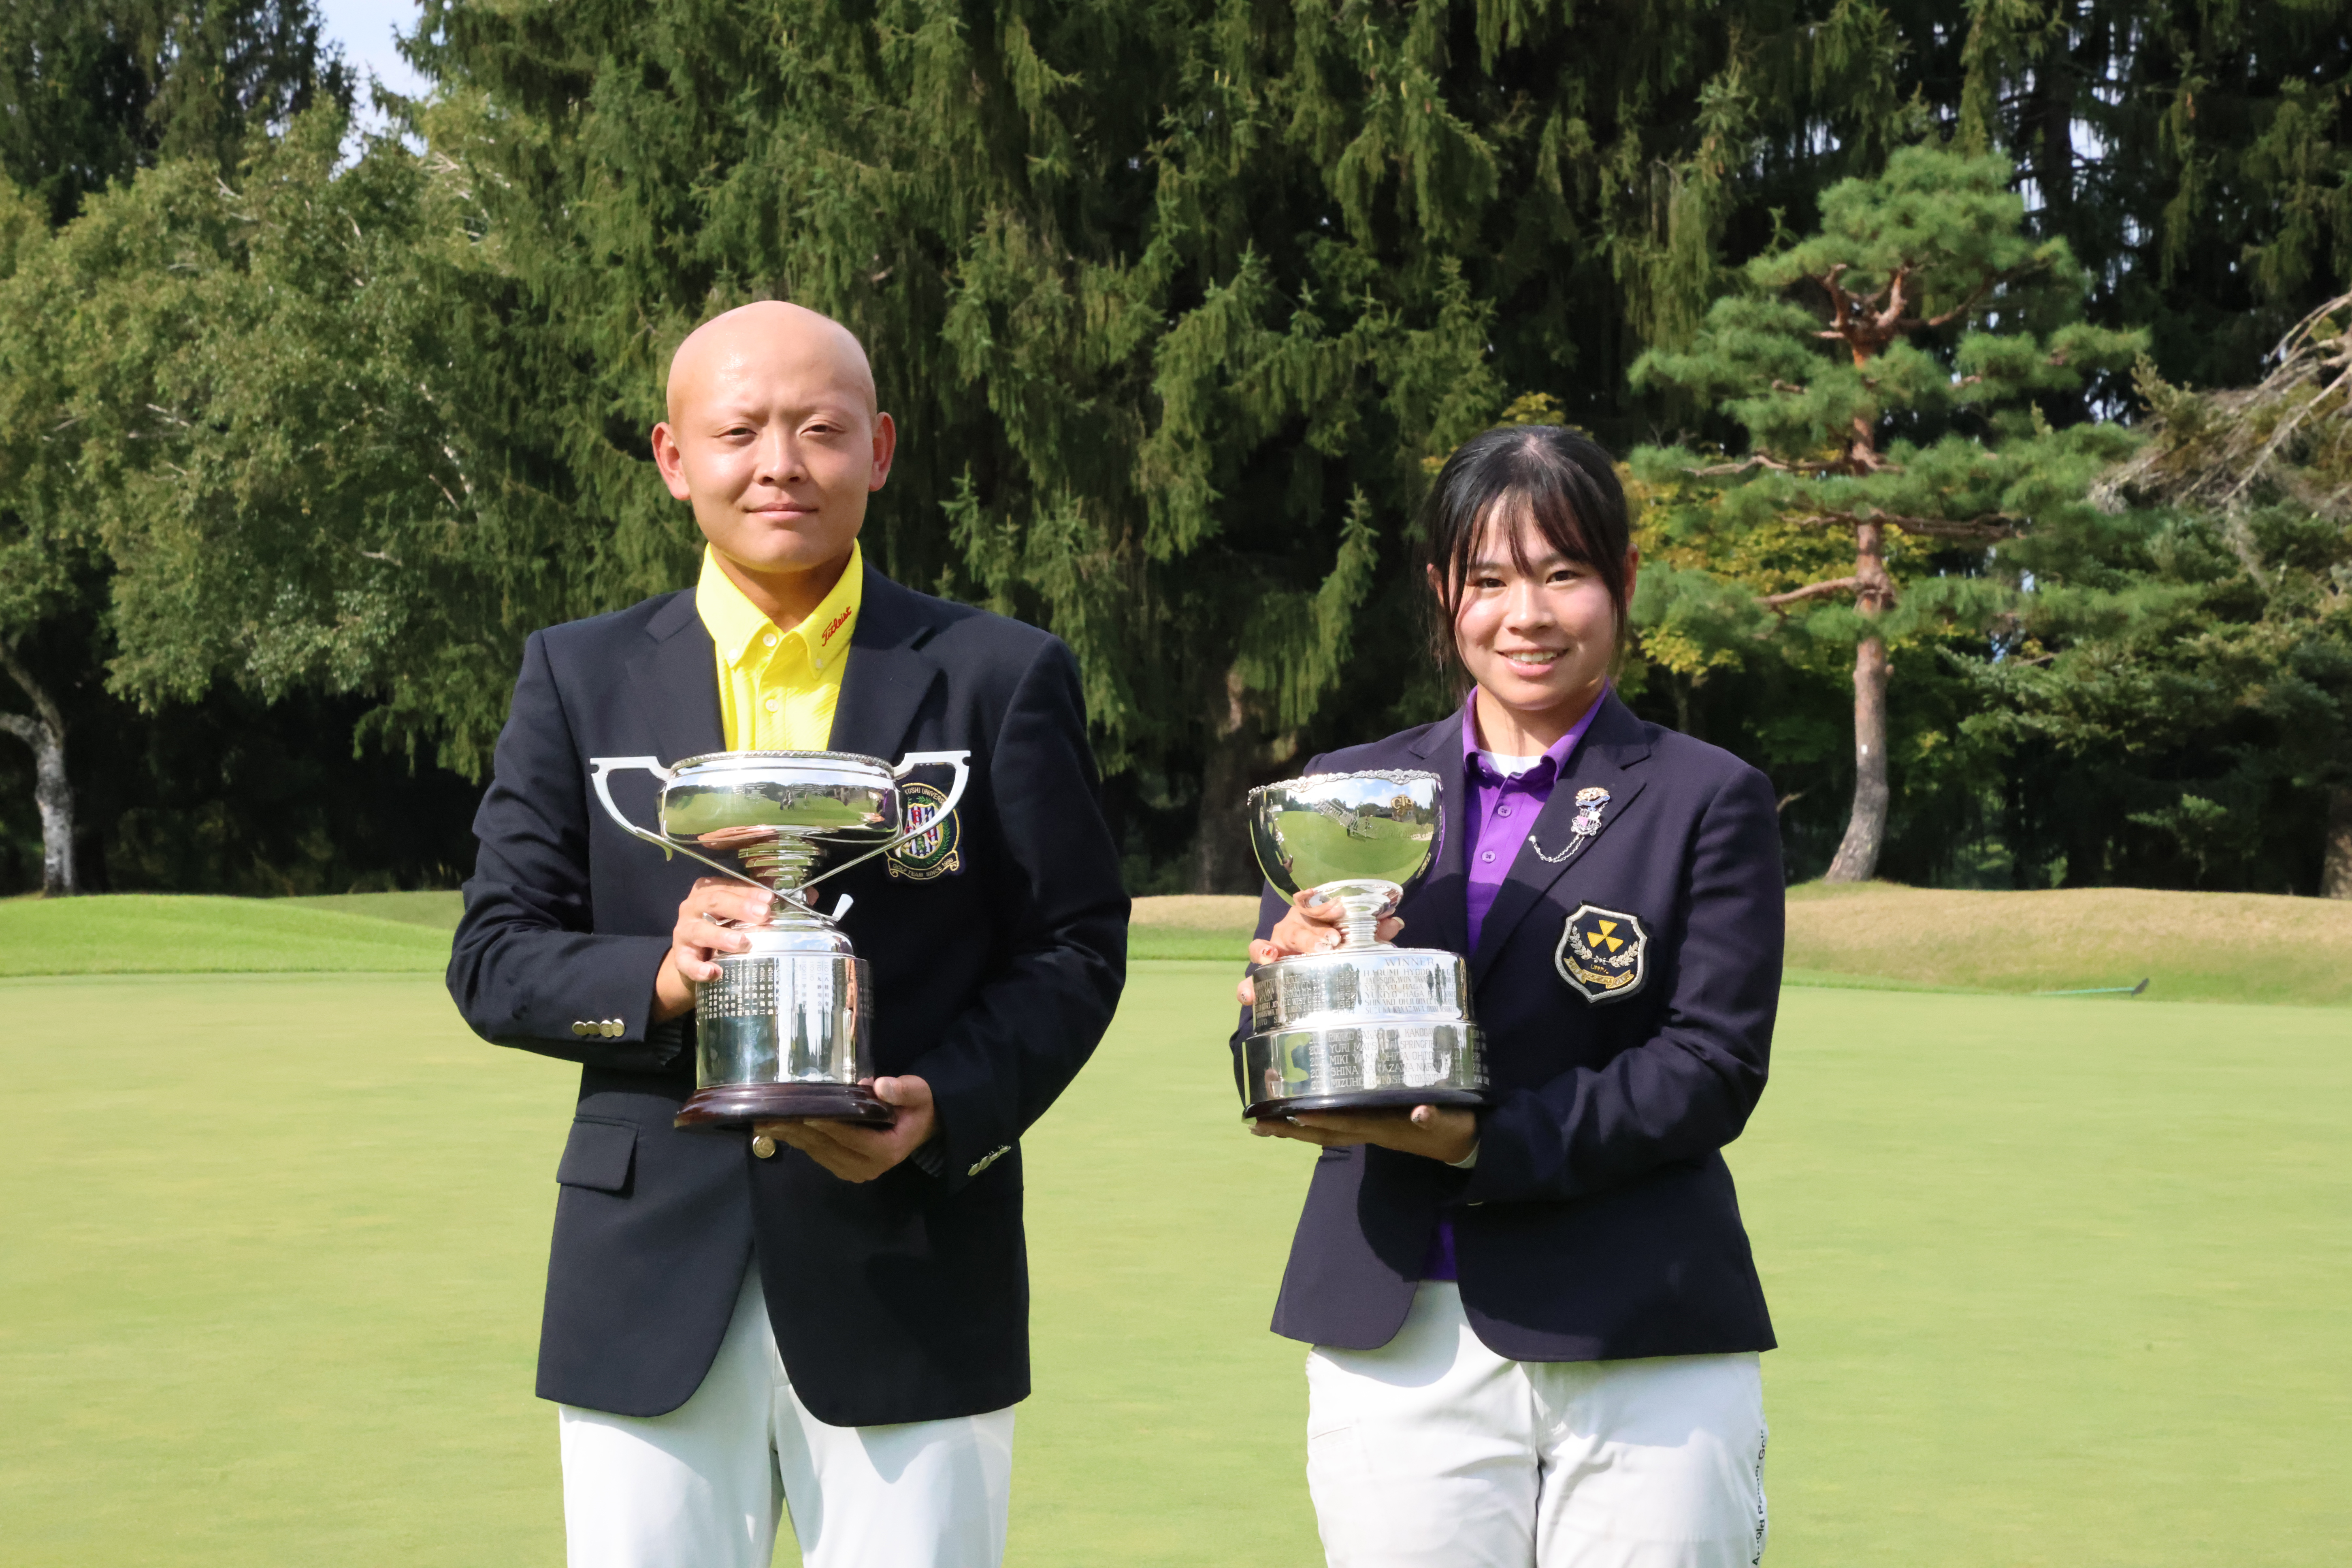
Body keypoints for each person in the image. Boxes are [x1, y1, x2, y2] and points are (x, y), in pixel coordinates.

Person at [448, 300, 1127, 1568]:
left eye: (820, 430)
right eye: (741, 430)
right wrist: (656, 975)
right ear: (671, 458)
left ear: (877, 450)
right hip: (647, 1280)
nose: (780, 463)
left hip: (915, 1265)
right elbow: (494, 955)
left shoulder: (1000, 671)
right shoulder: (574, 673)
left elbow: (1074, 948)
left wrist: (950, 1105)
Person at [1236, 424, 1782, 1568]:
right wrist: (1284, 997)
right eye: (1488, 580)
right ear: (1445, 593)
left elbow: (1709, 1066)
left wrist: (1484, 1141)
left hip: (1642, 1330)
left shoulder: (1707, 797)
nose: (1524, 616)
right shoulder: (1348, 791)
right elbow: (1275, 1028)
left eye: (1563, 574)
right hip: (1397, 1329)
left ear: (1623, 582)